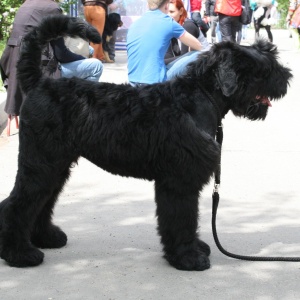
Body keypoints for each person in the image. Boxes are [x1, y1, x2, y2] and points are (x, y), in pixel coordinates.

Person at [0, 0, 103, 136]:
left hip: (17, 68)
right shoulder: (51, 8)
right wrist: (84, 59)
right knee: (95, 66)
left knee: (87, 48)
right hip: (41, 72)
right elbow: (62, 55)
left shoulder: (27, 4)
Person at [126, 0, 202, 85]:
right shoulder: (168, 22)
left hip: (132, 80)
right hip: (155, 82)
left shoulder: (135, 23)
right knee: (197, 54)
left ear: (148, 5)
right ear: (166, 6)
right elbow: (198, 46)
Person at [165, 0, 210, 64]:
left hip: (205, 63)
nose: (168, 15)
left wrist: (160, 62)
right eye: (166, 12)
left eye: (172, 12)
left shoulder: (188, 25)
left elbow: (185, 57)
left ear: (181, 11)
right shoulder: (169, 27)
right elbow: (168, 54)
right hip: (192, 63)